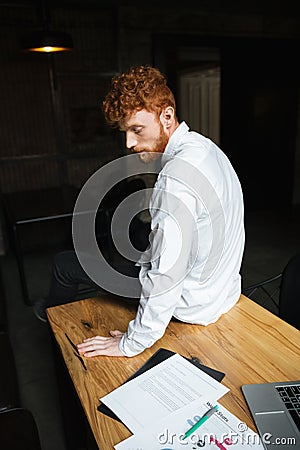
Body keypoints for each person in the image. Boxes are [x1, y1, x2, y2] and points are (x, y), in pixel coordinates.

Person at [74, 65, 245, 358]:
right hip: (223, 293)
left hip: (191, 305)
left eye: (136, 129)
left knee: (67, 268)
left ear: (166, 116)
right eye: (125, 131)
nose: (128, 143)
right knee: (140, 232)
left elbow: (167, 273)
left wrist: (131, 342)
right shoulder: (206, 148)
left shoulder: (176, 179)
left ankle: (60, 336)